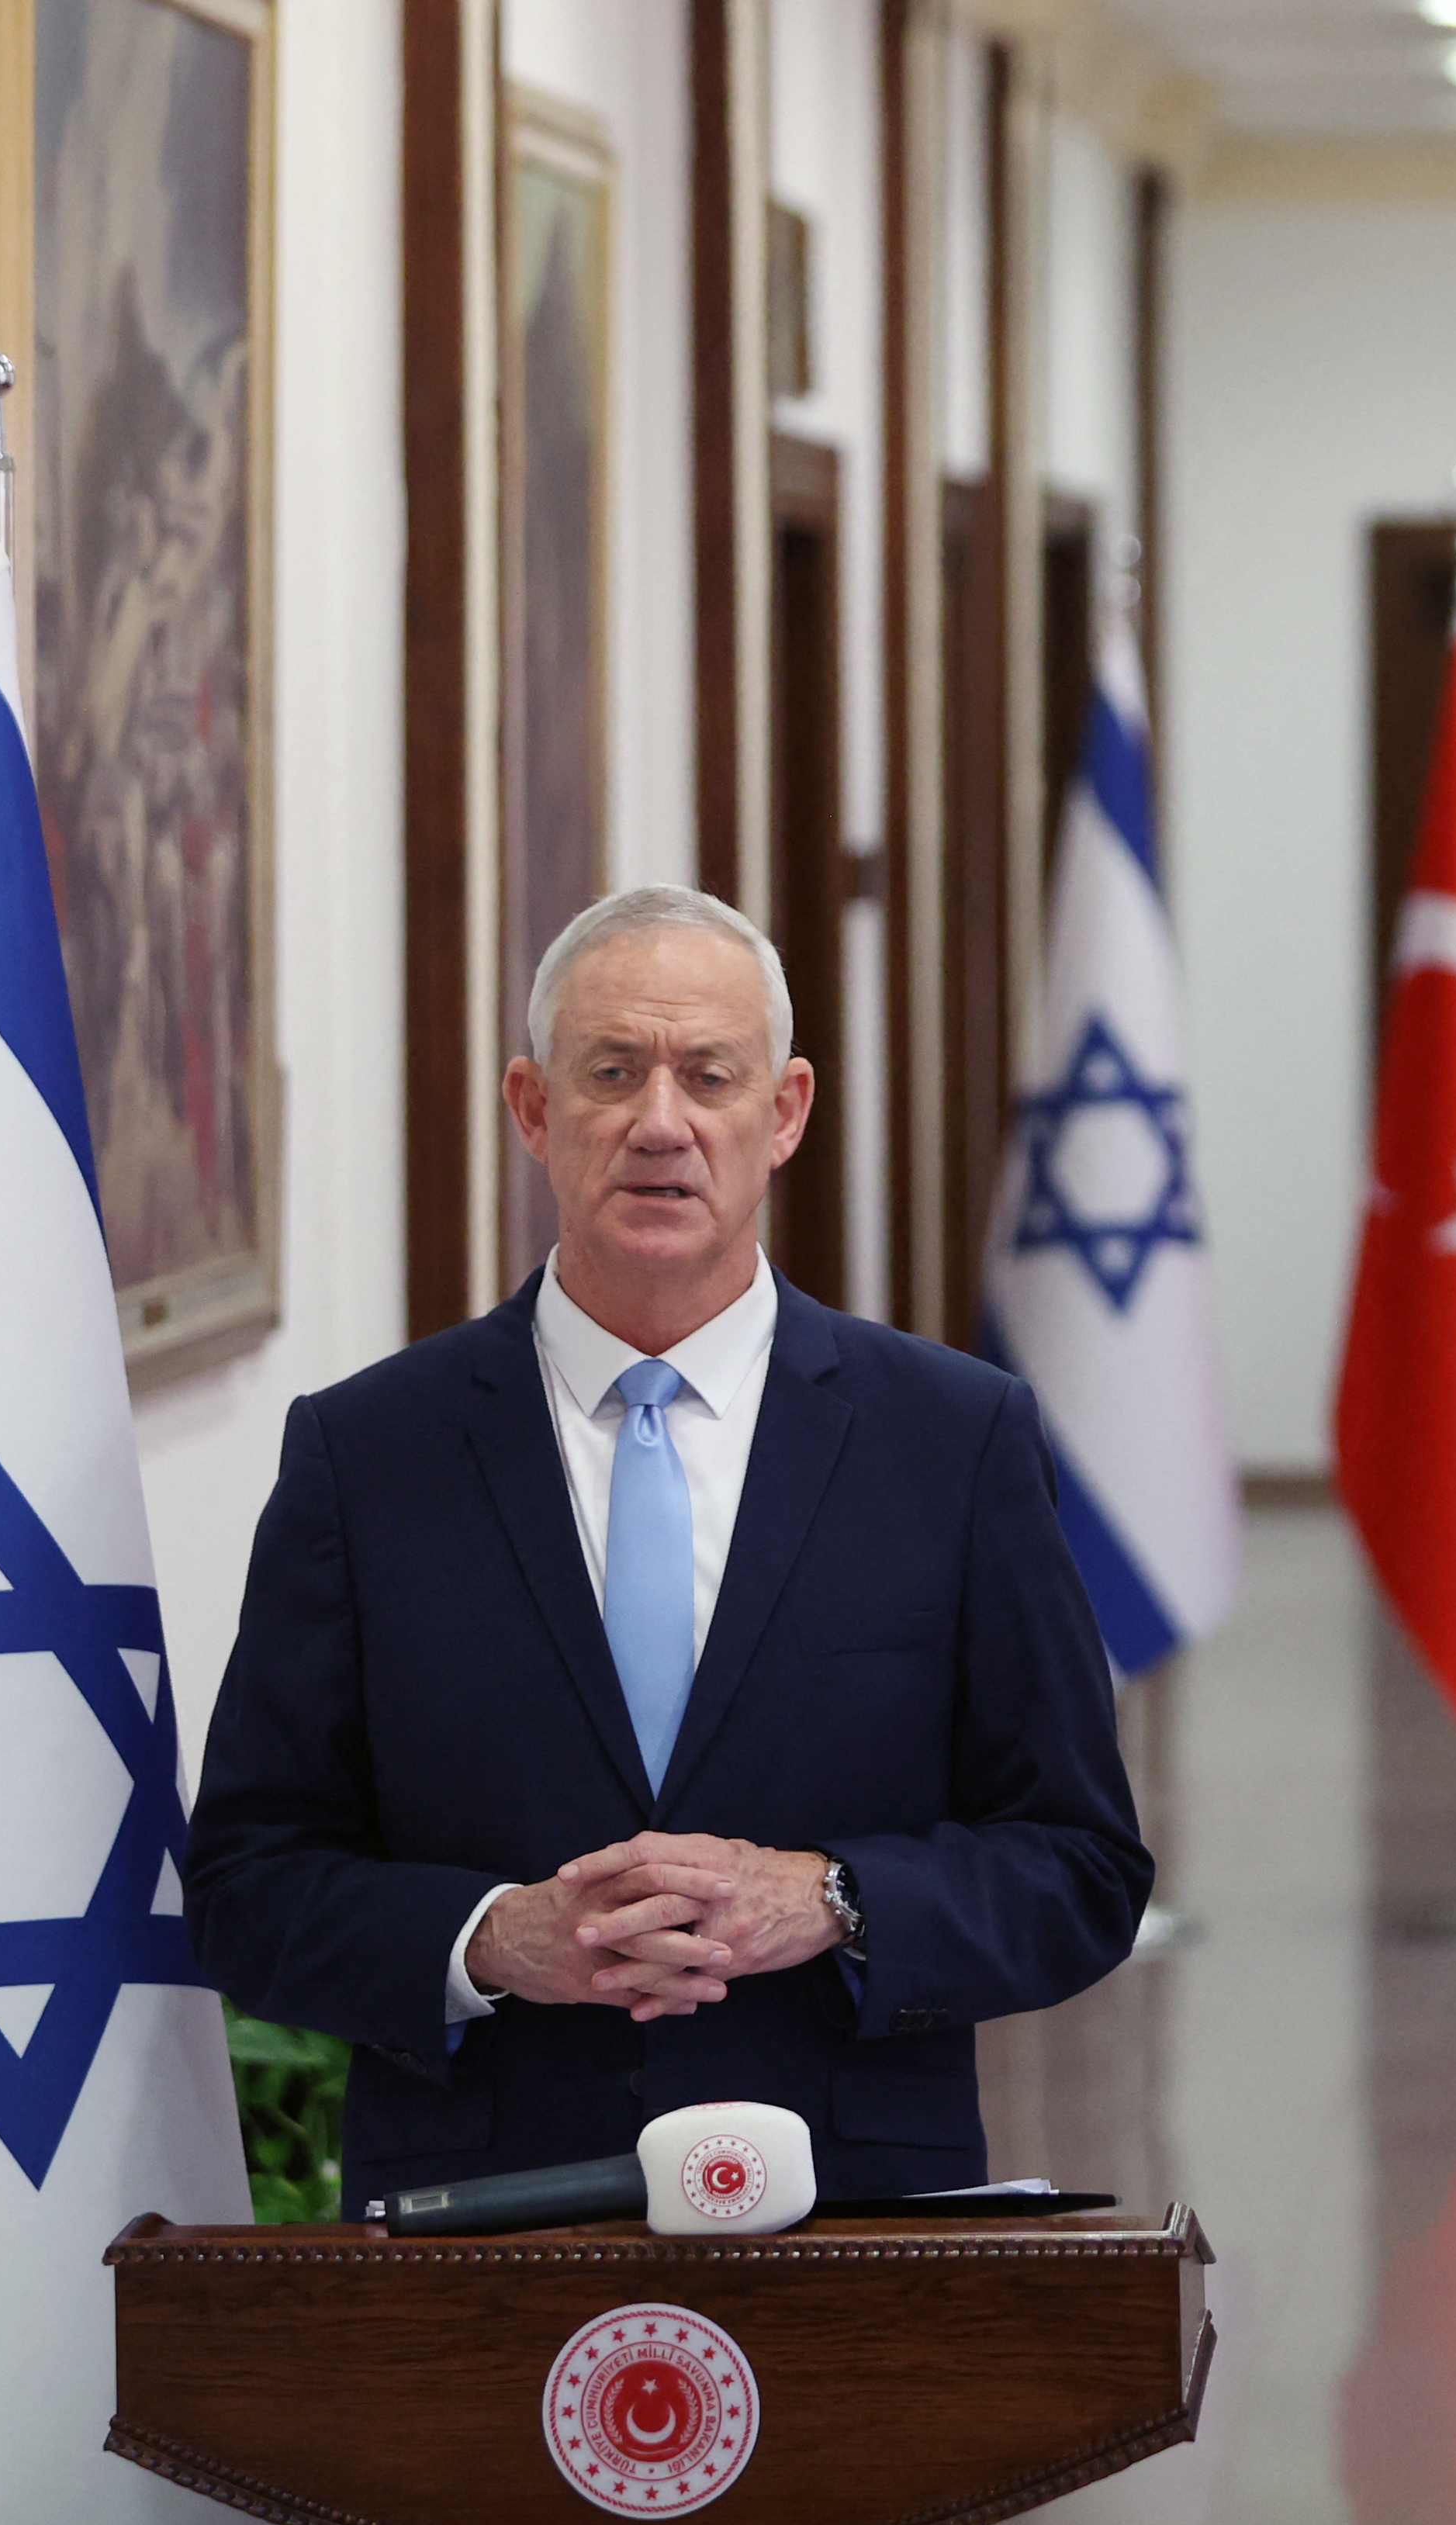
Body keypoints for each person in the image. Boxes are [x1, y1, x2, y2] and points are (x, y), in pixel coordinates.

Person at [185, 885, 1147, 2209]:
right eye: (611, 1073)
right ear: (532, 1109)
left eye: (709, 1076)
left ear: (785, 1112)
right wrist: (489, 1940)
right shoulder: (367, 1456)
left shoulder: (952, 1440)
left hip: (853, 2212)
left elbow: (1081, 1868)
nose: (660, 1124)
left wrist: (832, 1899)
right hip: (481, 2221)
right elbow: (246, 1882)